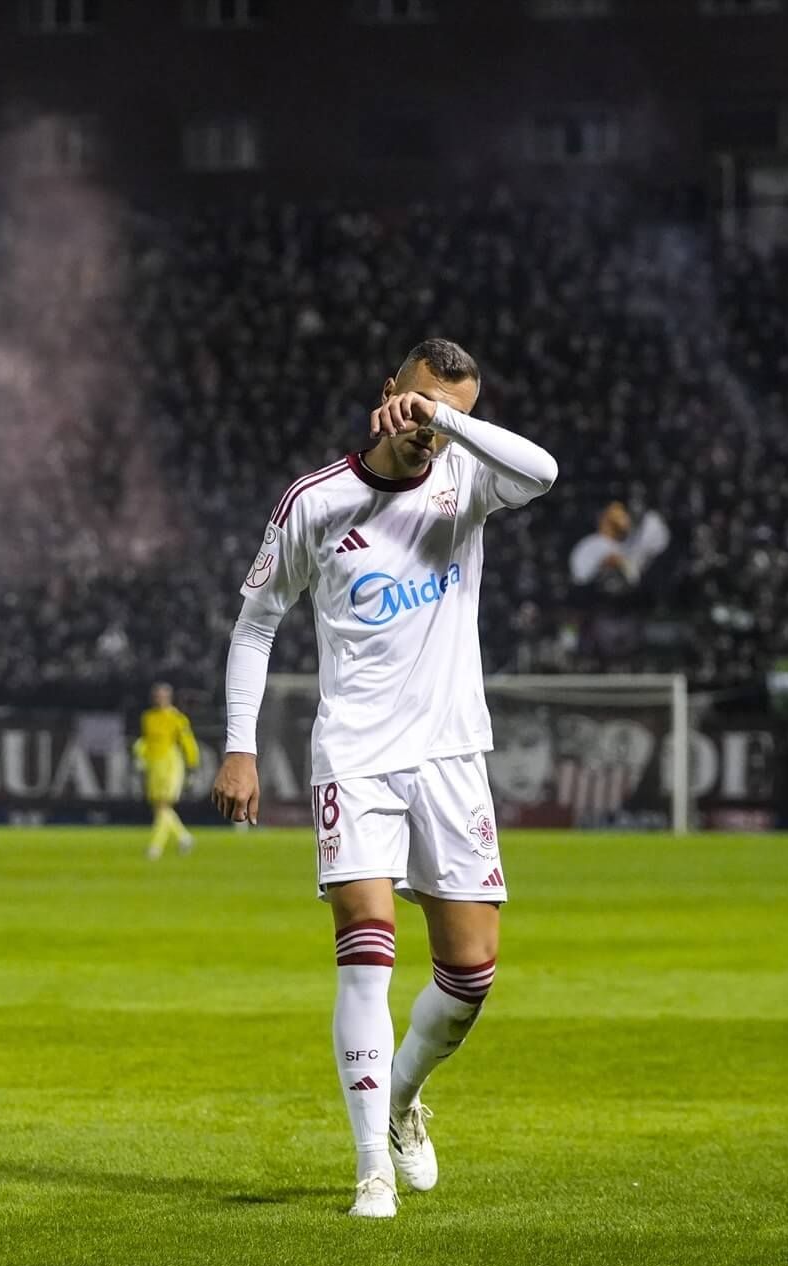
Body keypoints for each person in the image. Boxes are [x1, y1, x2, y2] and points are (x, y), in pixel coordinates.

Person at [211, 338, 558, 1219]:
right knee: (366, 947)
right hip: (356, 757)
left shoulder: (466, 479)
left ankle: (402, 1100)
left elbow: (546, 471)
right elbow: (255, 626)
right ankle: (370, 1166)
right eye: (417, 403)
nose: (428, 426)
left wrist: (449, 423)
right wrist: (239, 746)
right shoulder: (315, 502)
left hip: (450, 755)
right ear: (383, 395)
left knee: (471, 973)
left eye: (452, 413)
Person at [133, 682, 199, 859]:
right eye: (156, 696)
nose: (159, 699)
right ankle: (184, 837)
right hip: (153, 765)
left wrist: (192, 765)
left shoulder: (177, 718)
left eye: (162, 696)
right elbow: (146, 741)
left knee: (163, 805)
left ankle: (155, 847)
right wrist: (140, 755)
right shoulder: (148, 717)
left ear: (169, 698)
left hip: (171, 764)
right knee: (159, 807)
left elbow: (188, 742)